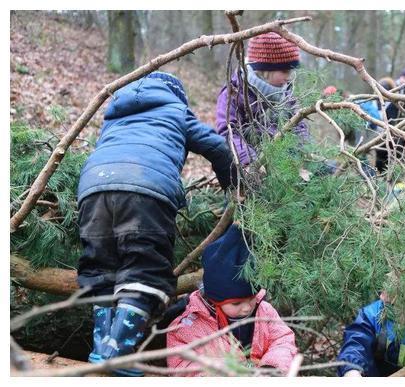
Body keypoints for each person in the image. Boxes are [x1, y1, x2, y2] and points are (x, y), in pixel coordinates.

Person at [76, 71, 236, 376]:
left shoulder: (114, 113)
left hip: (92, 189)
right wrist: (233, 187)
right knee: (144, 271)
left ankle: (101, 351)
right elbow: (216, 147)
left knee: (101, 271)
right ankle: (116, 357)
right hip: (146, 190)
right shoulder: (175, 110)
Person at [166, 224, 297, 376]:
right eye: (236, 303)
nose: (247, 307)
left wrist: (272, 368)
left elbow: (282, 340)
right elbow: (182, 364)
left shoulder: (265, 311)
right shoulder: (190, 325)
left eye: (252, 298)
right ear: (215, 299)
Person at [215, 32, 309, 166]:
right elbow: (228, 132)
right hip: (250, 164)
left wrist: (305, 150)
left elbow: (299, 125)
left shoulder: (286, 93)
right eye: (285, 71)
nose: (289, 77)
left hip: (286, 163)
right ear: (265, 70)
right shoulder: (235, 92)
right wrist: (250, 161)